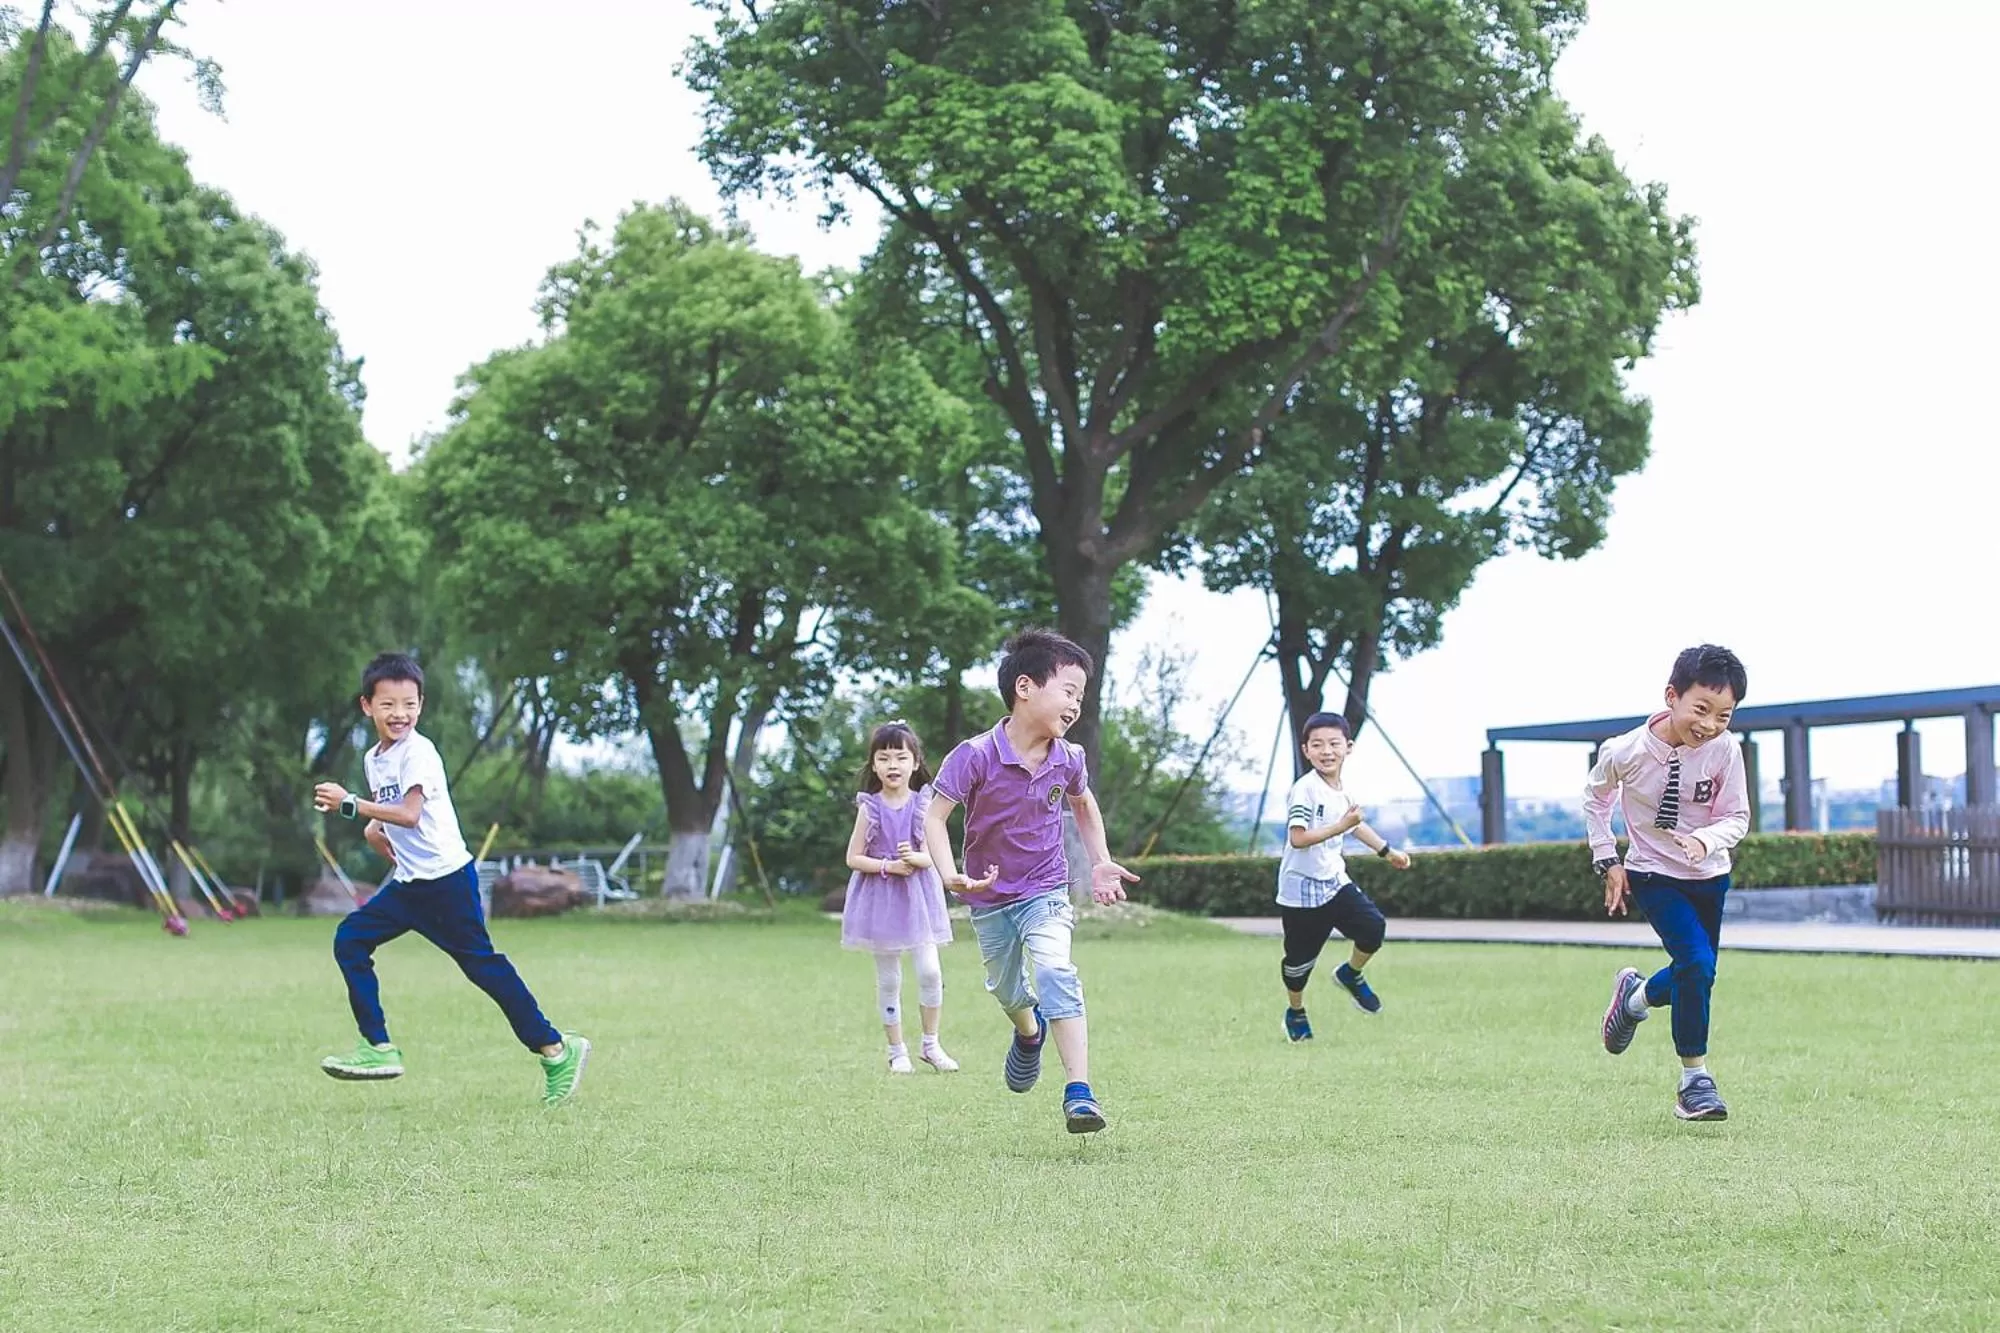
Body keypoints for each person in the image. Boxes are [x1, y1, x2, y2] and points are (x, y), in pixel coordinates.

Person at [311, 652, 589, 1106]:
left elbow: (409, 812)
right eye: (388, 705)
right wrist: (375, 832)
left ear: (421, 705)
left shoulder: (419, 752)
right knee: (350, 939)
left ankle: (556, 1049)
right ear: (367, 706)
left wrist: (351, 804)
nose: (400, 714)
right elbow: (391, 821)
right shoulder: (375, 758)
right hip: (411, 886)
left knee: (483, 968)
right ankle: (378, 1047)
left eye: (410, 704)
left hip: (446, 883)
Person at [923, 629, 1138, 1134]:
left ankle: (1079, 1093)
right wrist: (951, 872)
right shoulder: (973, 755)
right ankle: (1028, 1032)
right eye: (1068, 691)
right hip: (990, 898)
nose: (1075, 705)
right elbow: (934, 819)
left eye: (1081, 697)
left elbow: (1083, 803)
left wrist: (1100, 860)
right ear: (1025, 687)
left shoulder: (1070, 758)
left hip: (1045, 890)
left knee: (1057, 972)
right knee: (1008, 991)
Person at [1589, 644, 1751, 1122]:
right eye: (1701, 709)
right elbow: (1596, 801)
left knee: (1697, 972)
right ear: (1672, 697)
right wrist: (1608, 860)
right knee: (1696, 964)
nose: (1710, 725)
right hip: (1654, 874)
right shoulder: (1625, 751)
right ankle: (1694, 1083)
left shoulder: (1726, 749)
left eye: (1724, 715)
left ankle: (1634, 998)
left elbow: (1738, 815)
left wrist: (1707, 840)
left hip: (1710, 875)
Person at [1276, 711, 1412, 1042]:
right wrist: (1341, 827)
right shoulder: (1304, 790)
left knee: (1373, 928)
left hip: (1335, 882)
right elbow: (1299, 838)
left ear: (1348, 748)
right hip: (1301, 891)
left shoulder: (1342, 792)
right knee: (1298, 966)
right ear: (1306, 750)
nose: (1327, 751)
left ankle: (1350, 974)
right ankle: (1295, 1012)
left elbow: (1356, 824)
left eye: (1334, 744)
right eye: (1318, 745)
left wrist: (1387, 852)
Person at [841, 719, 958, 1074]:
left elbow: (934, 854)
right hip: (881, 900)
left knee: (930, 971)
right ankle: (897, 1050)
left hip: (920, 900)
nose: (893, 765)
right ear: (873, 764)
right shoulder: (869, 808)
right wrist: (889, 866)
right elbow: (853, 857)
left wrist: (915, 859)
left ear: (916, 762)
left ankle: (931, 1044)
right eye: (884, 758)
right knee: (889, 977)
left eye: (900, 757)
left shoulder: (925, 805)